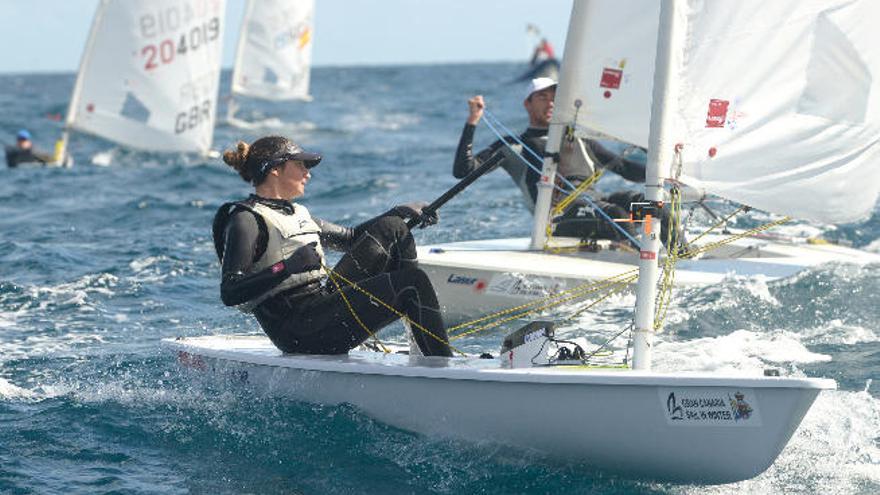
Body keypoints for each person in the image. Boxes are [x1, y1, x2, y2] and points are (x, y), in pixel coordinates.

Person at [214, 135, 452, 357]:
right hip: (297, 330)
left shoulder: (298, 212)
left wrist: (399, 212)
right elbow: (230, 291)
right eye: (301, 166)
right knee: (412, 282)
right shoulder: (245, 219)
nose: (307, 174)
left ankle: (422, 348)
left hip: (320, 308)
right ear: (275, 170)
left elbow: (351, 238)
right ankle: (442, 365)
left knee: (393, 227)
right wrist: (287, 267)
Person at [453, 77, 660, 244]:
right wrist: (472, 122)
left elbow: (625, 168)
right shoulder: (514, 146)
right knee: (617, 215)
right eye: (542, 97)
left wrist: (658, 165)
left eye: (555, 97)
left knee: (651, 207)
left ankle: (683, 257)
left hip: (596, 206)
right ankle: (638, 265)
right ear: (527, 104)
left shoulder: (580, 139)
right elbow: (464, 170)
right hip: (558, 220)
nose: (551, 102)